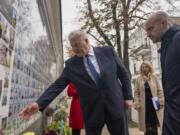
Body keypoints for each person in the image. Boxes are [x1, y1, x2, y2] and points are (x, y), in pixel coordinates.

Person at [19, 30, 133, 135]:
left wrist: (128, 97)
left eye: (77, 45)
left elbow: (123, 74)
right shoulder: (71, 65)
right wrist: (39, 104)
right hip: (92, 111)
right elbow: (57, 85)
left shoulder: (107, 51)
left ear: (87, 41)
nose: (75, 49)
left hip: (115, 105)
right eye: (72, 46)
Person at [145, 11, 180, 135]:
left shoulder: (177, 39)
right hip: (172, 112)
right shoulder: (167, 43)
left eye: (150, 29)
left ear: (164, 23)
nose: (148, 34)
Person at [133, 61, 164, 135]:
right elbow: (136, 93)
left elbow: (159, 90)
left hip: (154, 104)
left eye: (146, 67)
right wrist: (137, 102)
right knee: (146, 123)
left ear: (149, 67)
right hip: (144, 105)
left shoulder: (154, 77)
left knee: (154, 123)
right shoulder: (138, 79)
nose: (144, 69)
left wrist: (161, 101)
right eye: (142, 67)